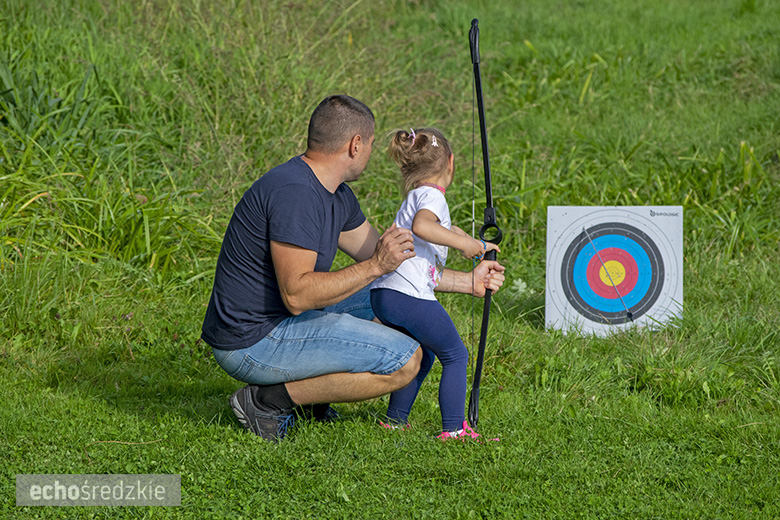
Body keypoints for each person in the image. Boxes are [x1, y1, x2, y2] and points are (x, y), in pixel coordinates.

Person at [201, 95, 506, 441]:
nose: (373, 153)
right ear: (355, 145)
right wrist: (377, 265)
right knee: (406, 361)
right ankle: (268, 401)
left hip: (281, 322)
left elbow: (399, 269)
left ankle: (315, 396)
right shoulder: (295, 194)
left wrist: (469, 282)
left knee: (388, 294)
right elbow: (298, 296)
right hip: (250, 342)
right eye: (372, 144)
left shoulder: (336, 194)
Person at [370, 128, 500, 440]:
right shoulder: (432, 196)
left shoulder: (417, 196)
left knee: (425, 354)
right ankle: (454, 429)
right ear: (450, 163)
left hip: (387, 294)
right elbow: (424, 226)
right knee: (455, 354)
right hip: (407, 295)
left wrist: (474, 242)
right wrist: (464, 246)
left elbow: (439, 226)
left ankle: (395, 420)